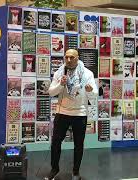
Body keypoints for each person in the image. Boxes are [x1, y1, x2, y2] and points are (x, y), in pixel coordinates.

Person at [44, 49, 98, 180]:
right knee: (56, 142)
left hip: (80, 113)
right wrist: (60, 85)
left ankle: (75, 172)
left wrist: (90, 91)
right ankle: (54, 169)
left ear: (77, 58)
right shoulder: (60, 72)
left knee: (78, 144)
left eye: (71, 57)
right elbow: (51, 92)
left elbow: (94, 95)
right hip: (62, 111)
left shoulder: (87, 74)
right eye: (66, 57)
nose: (68, 60)